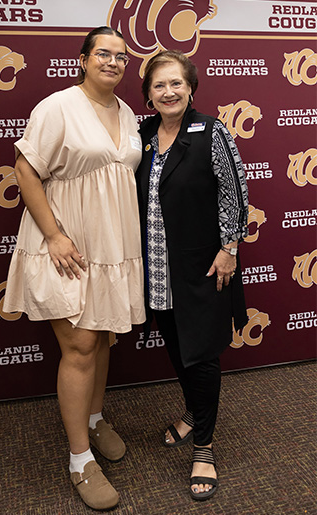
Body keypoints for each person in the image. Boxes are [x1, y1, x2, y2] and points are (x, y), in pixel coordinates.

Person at [3, 26, 145, 511]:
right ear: (83, 59)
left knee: (102, 335)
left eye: (121, 57)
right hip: (65, 241)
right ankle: (79, 459)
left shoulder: (127, 113)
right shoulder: (57, 106)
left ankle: (94, 417)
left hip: (112, 243)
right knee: (81, 343)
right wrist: (55, 235)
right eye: (103, 53)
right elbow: (25, 169)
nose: (113, 62)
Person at [136, 50, 249, 501]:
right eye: (159, 85)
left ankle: (204, 445)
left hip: (203, 265)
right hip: (158, 268)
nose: (169, 92)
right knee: (179, 349)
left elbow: (235, 191)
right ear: (148, 94)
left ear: (191, 87)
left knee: (201, 355)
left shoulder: (211, 131)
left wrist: (229, 248)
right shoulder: (142, 134)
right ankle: (192, 413)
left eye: (176, 83)